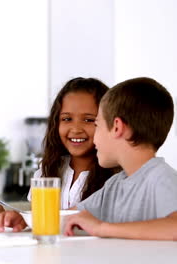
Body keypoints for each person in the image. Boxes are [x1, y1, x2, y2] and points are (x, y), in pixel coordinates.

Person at [0, 77, 116, 231]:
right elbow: (42, 224)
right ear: (56, 123)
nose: (76, 129)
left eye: (88, 120)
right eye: (67, 119)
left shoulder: (117, 179)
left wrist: (26, 219)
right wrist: (5, 215)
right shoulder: (46, 172)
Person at [63, 77, 177, 240]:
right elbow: (70, 216)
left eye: (97, 125)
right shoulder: (114, 185)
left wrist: (102, 228)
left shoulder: (162, 179)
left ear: (117, 127)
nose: (94, 137)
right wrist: (27, 219)